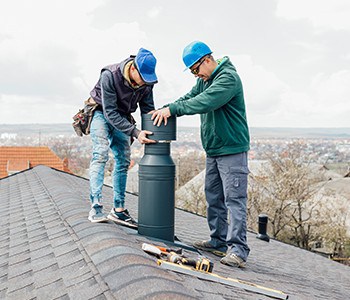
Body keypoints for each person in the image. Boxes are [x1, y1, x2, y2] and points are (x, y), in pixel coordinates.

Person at [152, 41, 250, 268]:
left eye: (196, 69)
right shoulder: (204, 81)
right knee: (214, 197)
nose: (195, 75)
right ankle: (218, 241)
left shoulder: (227, 79)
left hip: (232, 150)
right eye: (193, 72)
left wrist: (173, 110)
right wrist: (165, 108)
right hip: (214, 150)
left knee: (234, 200)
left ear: (207, 60)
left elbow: (203, 102)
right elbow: (188, 98)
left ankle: (238, 249)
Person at [88, 48, 157, 226]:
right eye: (143, 78)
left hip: (123, 115)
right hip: (101, 112)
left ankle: (118, 210)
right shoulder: (110, 75)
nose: (144, 83)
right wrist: (135, 132)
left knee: (124, 159)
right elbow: (110, 112)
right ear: (133, 69)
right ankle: (95, 207)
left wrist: (152, 130)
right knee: (100, 154)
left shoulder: (147, 83)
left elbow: (147, 110)